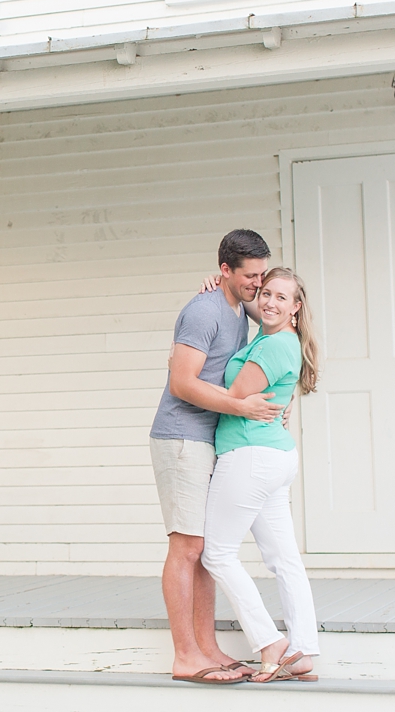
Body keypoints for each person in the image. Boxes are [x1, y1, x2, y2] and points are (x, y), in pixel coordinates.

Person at [149, 230, 285, 684]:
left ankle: (208, 647)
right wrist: (241, 406)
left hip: (210, 439)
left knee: (205, 548)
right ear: (225, 271)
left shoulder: (236, 306)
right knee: (186, 546)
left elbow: (274, 310)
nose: (258, 284)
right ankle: (185, 655)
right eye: (250, 276)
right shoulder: (203, 310)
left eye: (262, 274)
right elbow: (182, 383)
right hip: (182, 438)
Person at [201, 266, 321, 683]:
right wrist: (222, 290)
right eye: (265, 293)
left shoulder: (272, 347)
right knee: (284, 559)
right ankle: (303, 650)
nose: (269, 302)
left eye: (281, 297)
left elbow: (235, 396)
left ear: (297, 307)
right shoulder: (276, 337)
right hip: (274, 457)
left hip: (249, 456)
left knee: (217, 553)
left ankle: (270, 643)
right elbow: (257, 308)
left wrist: (183, 381)